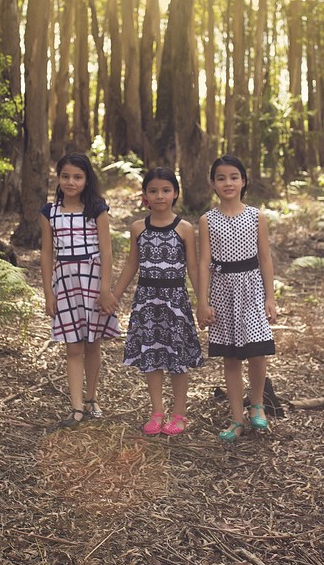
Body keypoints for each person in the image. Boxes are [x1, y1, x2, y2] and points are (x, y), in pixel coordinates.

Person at [111, 167, 204, 436]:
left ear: (175, 193)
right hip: (147, 301)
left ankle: (179, 413)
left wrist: (202, 302)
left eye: (165, 190)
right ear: (145, 196)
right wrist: (115, 295)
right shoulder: (138, 227)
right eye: (153, 191)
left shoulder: (184, 228)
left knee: (177, 357)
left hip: (175, 301)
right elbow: (132, 264)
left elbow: (193, 267)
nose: (160, 196)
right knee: (151, 356)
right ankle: (157, 411)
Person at [197, 155, 278, 442]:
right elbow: (204, 262)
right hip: (222, 291)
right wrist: (202, 302)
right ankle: (236, 418)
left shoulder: (256, 216)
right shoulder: (207, 220)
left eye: (234, 177)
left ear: (244, 181)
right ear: (213, 184)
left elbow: (265, 258)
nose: (228, 183)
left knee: (257, 349)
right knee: (230, 357)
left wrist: (270, 297)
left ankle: (257, 404)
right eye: (221, 178)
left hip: (252, 288)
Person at [39, 153, 119, 428]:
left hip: (93, 282)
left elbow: (107, 252)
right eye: (65, 176)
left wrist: (105, 289)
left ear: (87, 180)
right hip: (65, 284)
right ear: (58, 178)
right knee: (73, 346)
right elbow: (46, 255)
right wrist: (48, 294)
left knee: (92, 343)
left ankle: (91, 398)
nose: (71, 182)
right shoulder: (50, 213)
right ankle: (75, 408)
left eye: (77, 177)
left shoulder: (96, 209)